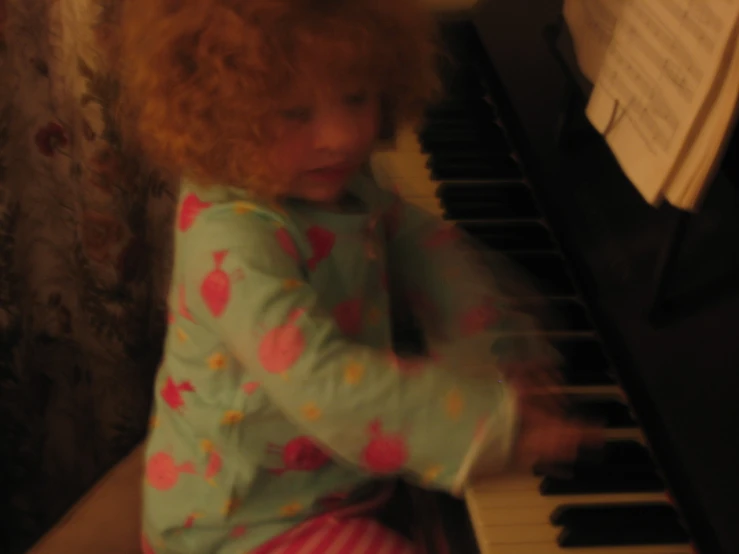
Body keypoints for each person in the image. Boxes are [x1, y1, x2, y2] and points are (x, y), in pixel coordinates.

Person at [117, 0, 597, 552]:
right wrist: (492, 427)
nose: (342, 136)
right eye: (295, 113)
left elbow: (423, 243)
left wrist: (490, 354)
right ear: (218, 117)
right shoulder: (231, 242)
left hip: (329, 478)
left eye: (357, 96)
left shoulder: (317, 174)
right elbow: (325, 382)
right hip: (242, 521)